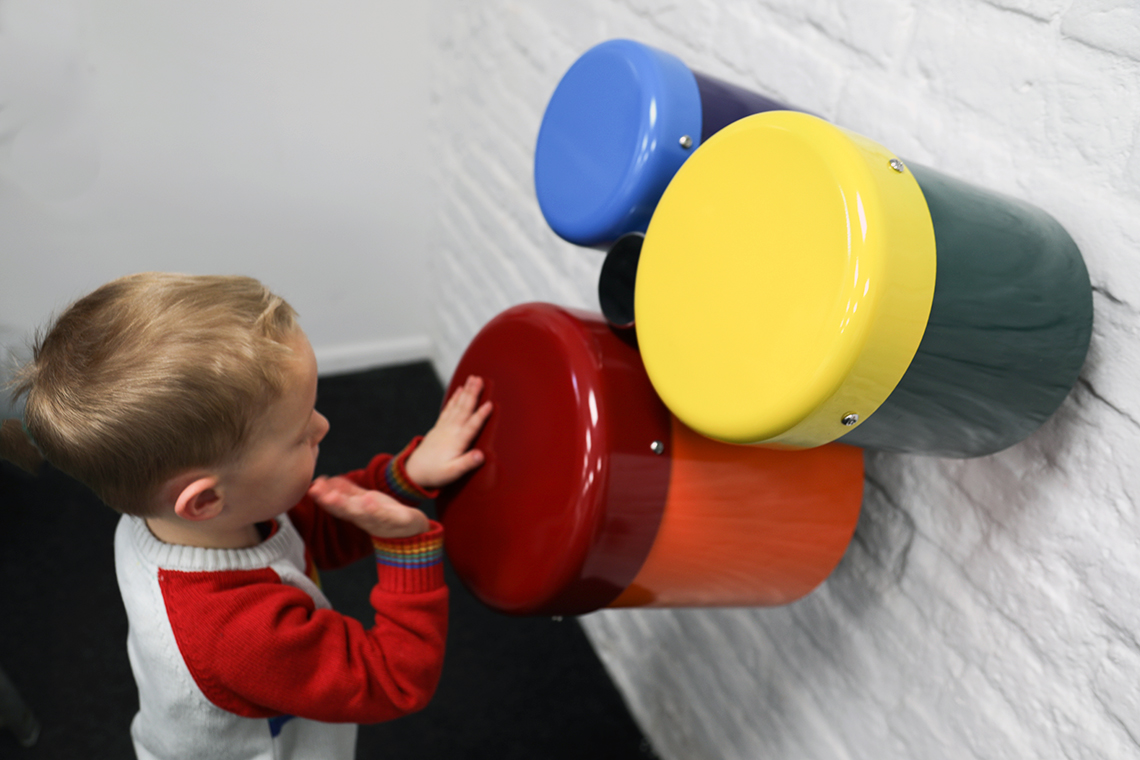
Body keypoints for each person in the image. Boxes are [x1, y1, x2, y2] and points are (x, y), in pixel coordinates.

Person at [8, 272, 492, 760]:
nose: (325, 426)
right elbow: (389, 679)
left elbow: (310, 530)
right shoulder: (238, 633)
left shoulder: (177, 518)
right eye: (301, 433)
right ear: (204, 501)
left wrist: (405, 475)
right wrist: (406, 548)